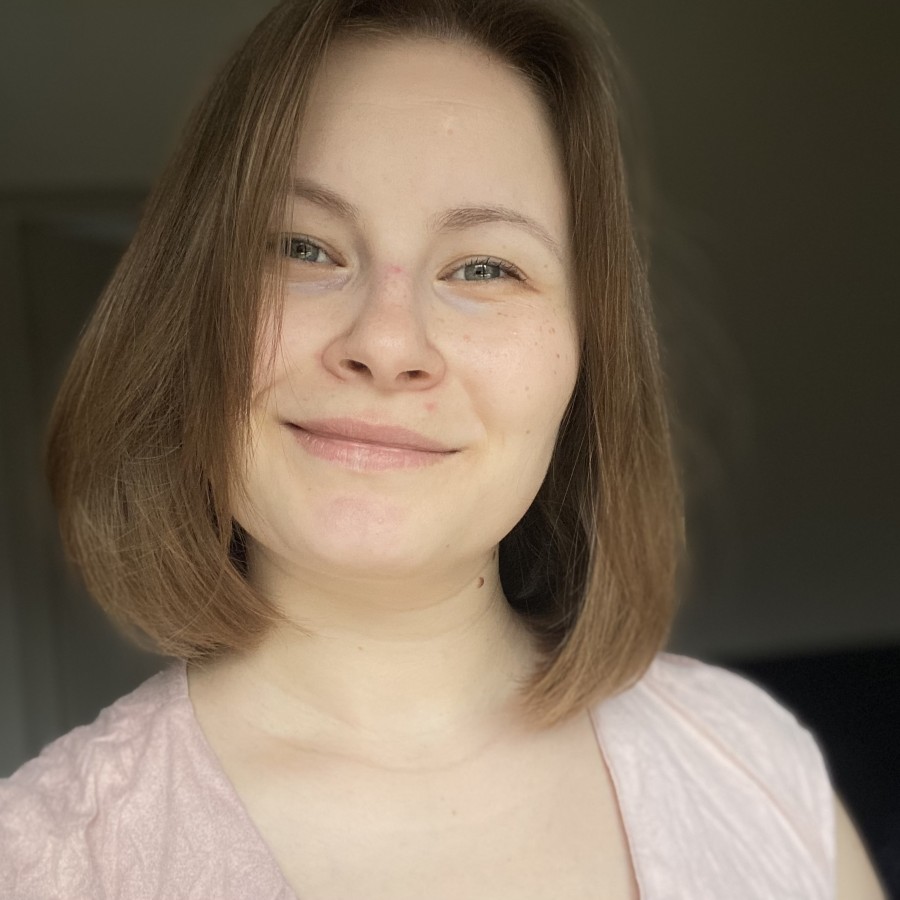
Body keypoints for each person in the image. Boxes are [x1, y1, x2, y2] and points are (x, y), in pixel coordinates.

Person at [0, 0, 886, 896]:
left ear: (584, 360)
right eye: (302, 248)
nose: (387, 343)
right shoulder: (41, 866)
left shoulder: (762, 775)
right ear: (188, 317)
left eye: (486, 267)